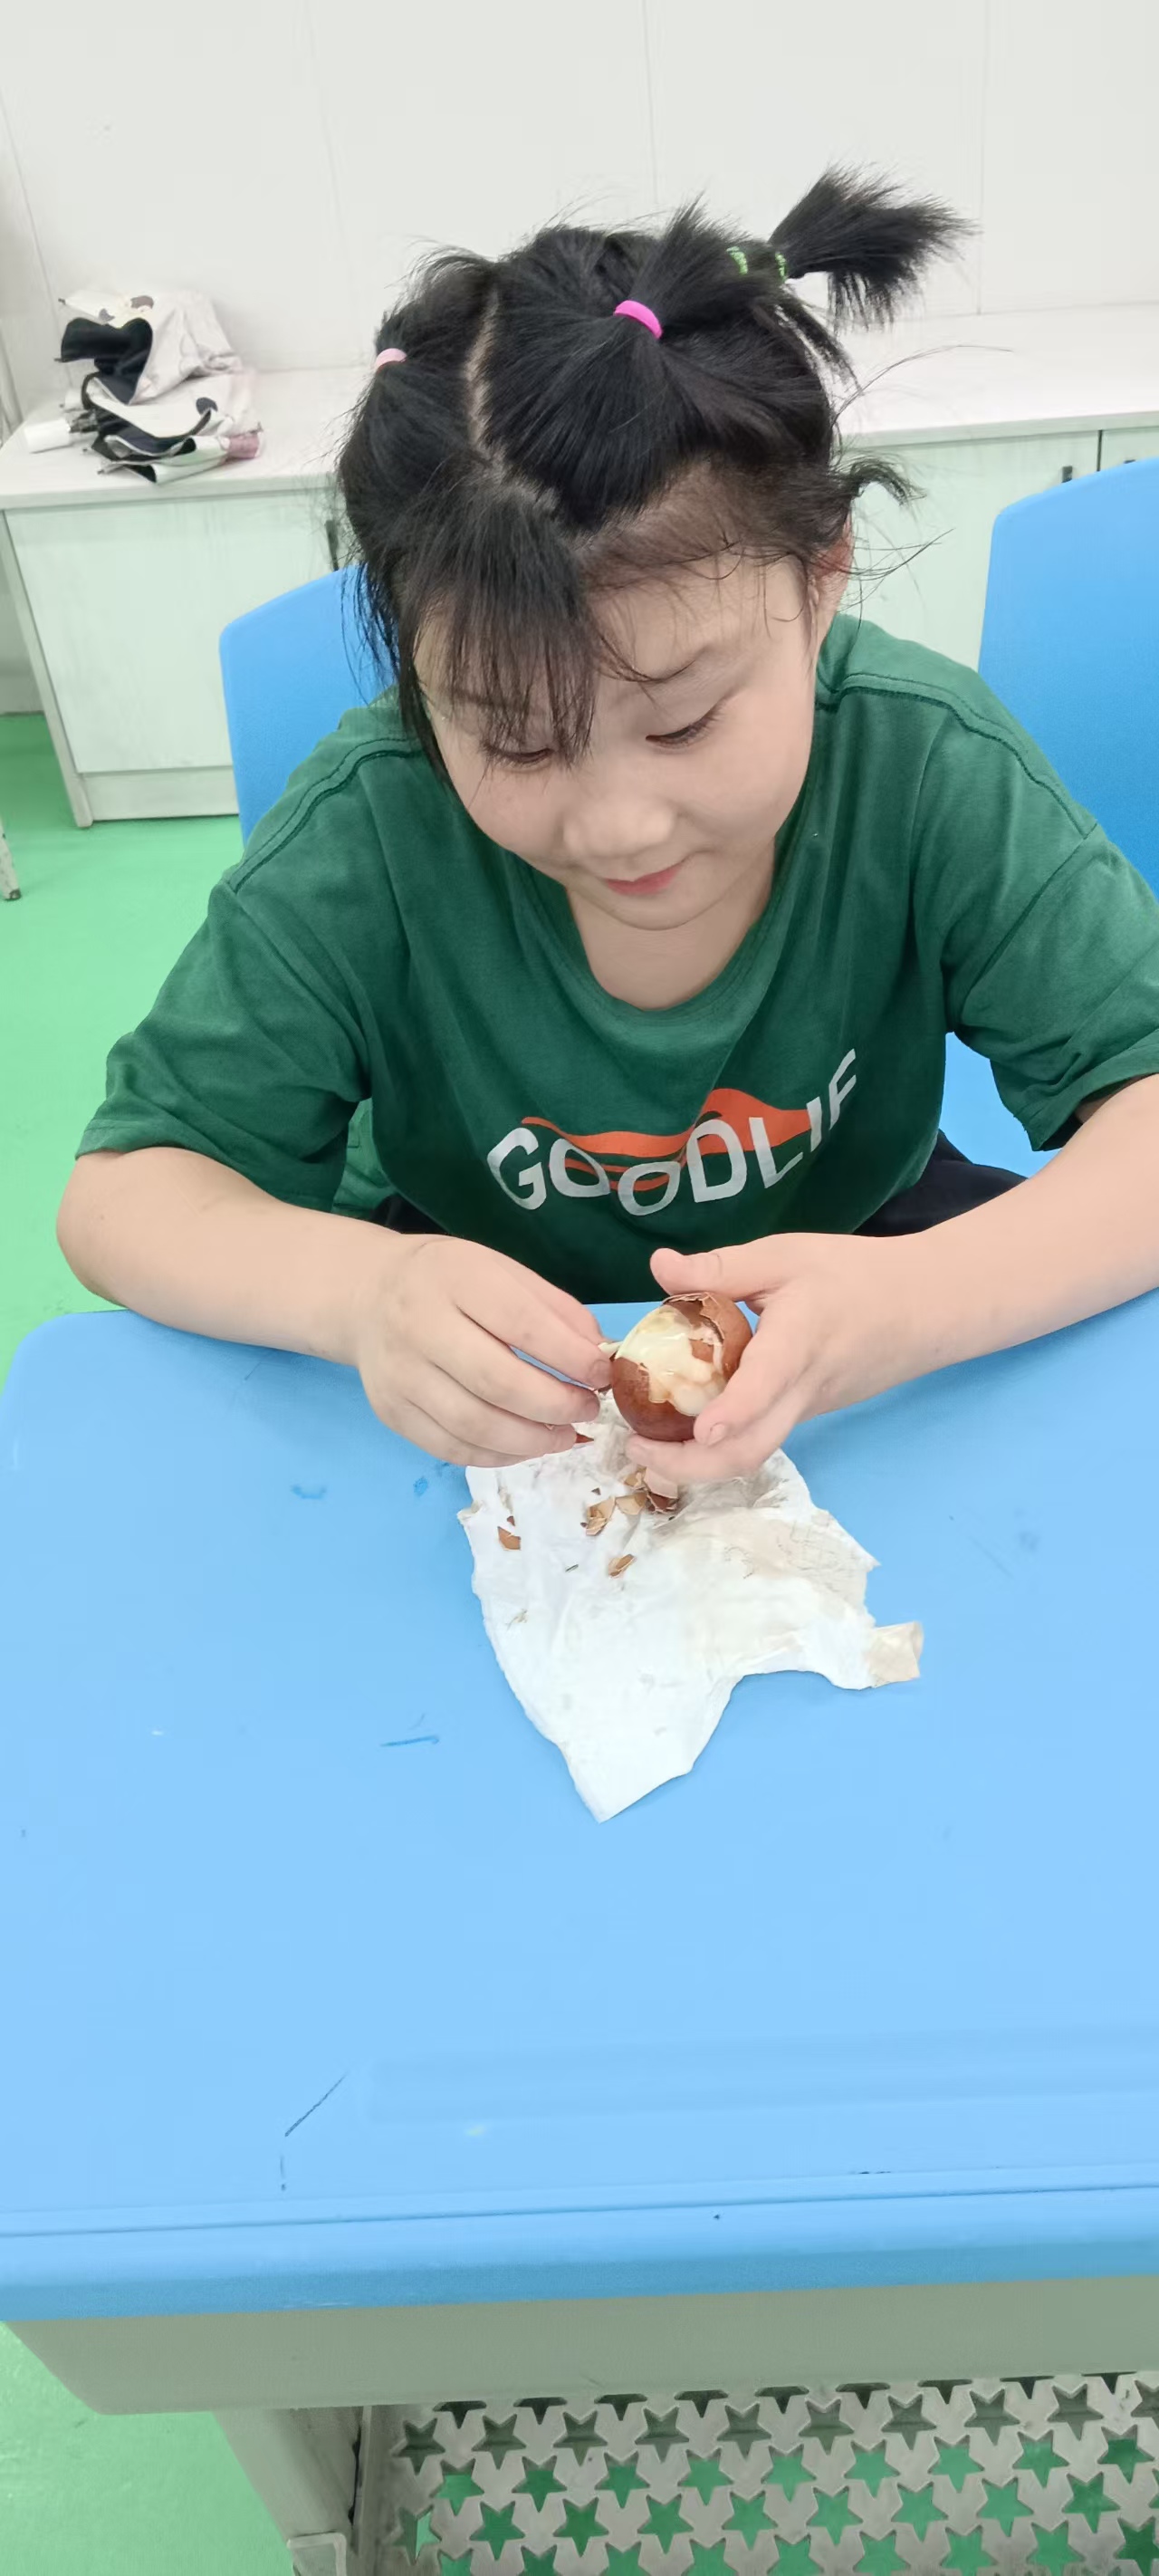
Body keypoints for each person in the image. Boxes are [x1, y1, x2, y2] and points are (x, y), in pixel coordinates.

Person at [58, 171, 1159, 1484]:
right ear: (415, 671)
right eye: (516, 743)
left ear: (821, 584)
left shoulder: (923, 764)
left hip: (857, 1249)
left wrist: (920, 1301)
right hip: (459, 1297)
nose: (623, 826)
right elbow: (124, 1196)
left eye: (684, 723)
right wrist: (354, 1295)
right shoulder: (373, 832)